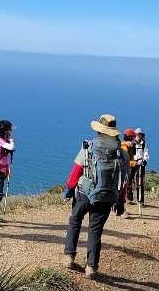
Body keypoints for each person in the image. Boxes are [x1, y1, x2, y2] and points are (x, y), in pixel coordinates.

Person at [63, 114, 128, 279]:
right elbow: (124, 181)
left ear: (99, 130)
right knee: (95, 230)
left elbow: (77, 170)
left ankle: (69, 257)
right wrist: (121, 202)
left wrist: (69, 189)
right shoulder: (122, 153)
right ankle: (91, 267)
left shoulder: (89, 147)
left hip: (84, 193)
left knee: (75, 221)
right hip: (106, 197)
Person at [131, 128, 149, 205]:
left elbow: (146, 153)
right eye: (138, 134)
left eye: (140, 134)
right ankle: (129, 198)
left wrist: (145, 160)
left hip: (141, 164)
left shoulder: (144, 144)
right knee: (130, 181)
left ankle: (140, 200)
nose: (139, 136)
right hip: (133, 164)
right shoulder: (132, 144)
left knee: (140, 182)